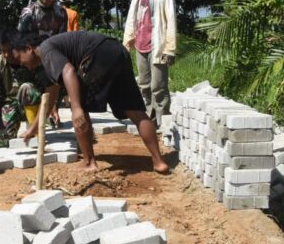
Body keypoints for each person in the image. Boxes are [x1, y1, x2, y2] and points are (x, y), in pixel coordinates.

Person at [10, 31, 170, 174]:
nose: (23, 65)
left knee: (79, 110)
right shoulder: (49, 59)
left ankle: (89, 163)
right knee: (134, 110)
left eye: (20, 59)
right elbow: (50, 97)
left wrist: (77, 107)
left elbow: (68, 71)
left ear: (29, 48)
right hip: (117, 50)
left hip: (97, 54)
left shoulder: (45, 50)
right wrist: (33, 129)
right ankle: (159, 162)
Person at [123, 0, 177, 128]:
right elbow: (131, 18)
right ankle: (148, 120)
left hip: (158, 44)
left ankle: (163, 122)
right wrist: (127, 41)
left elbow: (171, 20)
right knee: (144, 85)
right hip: (141, 43)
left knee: (158, 86)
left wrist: (170, 48)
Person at [18, 0, 67, 127]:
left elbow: (63, 39)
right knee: (31, 88)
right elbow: (22, 41)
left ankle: (53, 111)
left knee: (59, 79)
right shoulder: (28, 12)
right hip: (33, 58)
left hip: (52, 59)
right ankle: (32, 119)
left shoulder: (61, 13)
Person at [0, 29, 41, 147]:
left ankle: (35, 130)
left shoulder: (28, 58)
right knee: (3, 142)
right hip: (9, 107)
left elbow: (45, 86)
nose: (6, 55)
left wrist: (52, 106)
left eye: (9, 50)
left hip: (33, 104)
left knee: (27, 88)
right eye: (3, 51)